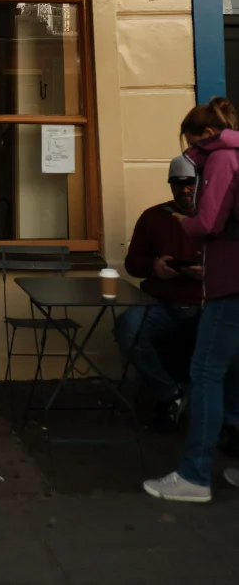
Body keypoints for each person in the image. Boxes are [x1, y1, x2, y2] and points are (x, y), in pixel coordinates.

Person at [144, 97, 239, 503]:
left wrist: (187, 222)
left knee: (205, 374)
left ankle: (195, 476)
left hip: (230, 284)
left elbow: (211, 220)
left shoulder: (221, 158)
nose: (191, 159)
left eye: (191, 145)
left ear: (205, 135)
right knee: (235, 375)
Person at [114, 155, 202, 432]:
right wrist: (154, 266)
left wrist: (212, 272)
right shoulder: (154, 217)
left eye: (190, 183)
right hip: (161, 302)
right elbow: (132, 263)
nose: (184, 190)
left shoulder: (220, 218)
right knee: (127, 328)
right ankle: (171, 396)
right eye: (177, 184)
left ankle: (228, 420)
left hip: (208, 304)